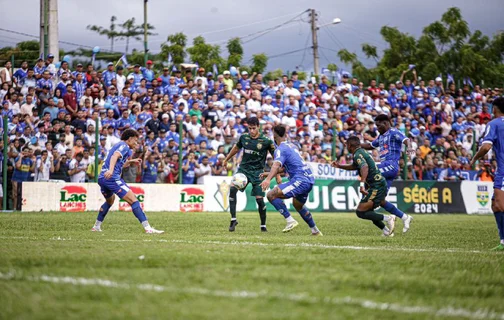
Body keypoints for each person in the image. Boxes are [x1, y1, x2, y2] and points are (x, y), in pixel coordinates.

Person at [91, 129, 163, 234]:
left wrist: (131, 161)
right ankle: (148, 228)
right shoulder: (123, 145)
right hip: (112, 178)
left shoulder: (122, 147)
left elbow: (119, 162)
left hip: (102, 178)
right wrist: (111, 170)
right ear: (129, 139)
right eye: (135, 140)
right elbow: (115, 156)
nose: (136, 143)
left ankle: (96, 226)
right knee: (134, 201)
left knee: (110, 201)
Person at [260, 124, 322, 236]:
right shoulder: (292, 146)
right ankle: (315, 230)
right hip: (309, 178)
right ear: (285, 134)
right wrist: (267, 174)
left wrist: (268, 179)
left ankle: (290, 220)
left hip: (300, 180)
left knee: (271, 195)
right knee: (298, 205)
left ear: (274, 135)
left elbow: (276, 165)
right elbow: (284, 168)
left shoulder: (280, 150)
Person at [332, 136, 397, 236]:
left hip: (377, 185)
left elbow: (364, 167)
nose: (346, 148)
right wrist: (340, 166)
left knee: (361, 212)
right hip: (377, 184)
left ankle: (388, 218)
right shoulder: (361, 152)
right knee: (368, 212)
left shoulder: (357, 154)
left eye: (346, 145)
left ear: (350, 145)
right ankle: (387, 231)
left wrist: (362, 185)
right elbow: (354, 166)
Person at [361, 114, 414, 233]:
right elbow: (370, 146)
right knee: (381, 200)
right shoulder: (381, 137)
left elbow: (406, 140)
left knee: (369, 170)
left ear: (386, 123)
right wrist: (357, 145)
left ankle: (366, 194)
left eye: (379, 125)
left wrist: (409, 147)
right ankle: (405, 217)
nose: (377, 128)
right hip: (388, 171)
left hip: (391, 165)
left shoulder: (394, 132)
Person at [223, 117, 275, 232]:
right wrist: (226, 159)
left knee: (259, 200)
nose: (251, 131)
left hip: (258, 173)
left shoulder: (266, 141)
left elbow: (276, 158)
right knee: (232, 190)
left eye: (253, 128)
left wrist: (278, 175)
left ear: (258, 127)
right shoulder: (244, 137)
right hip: (244, 170)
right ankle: (233, 219)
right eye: (249, 128)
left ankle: (263, 225)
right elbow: (236, 148)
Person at [470, 97, 504, 251]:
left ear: (495, 109)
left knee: (500, 205)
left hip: (503, 171)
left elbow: (485, 147)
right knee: (495, 206)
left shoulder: (494, 124)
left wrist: (474, 158)